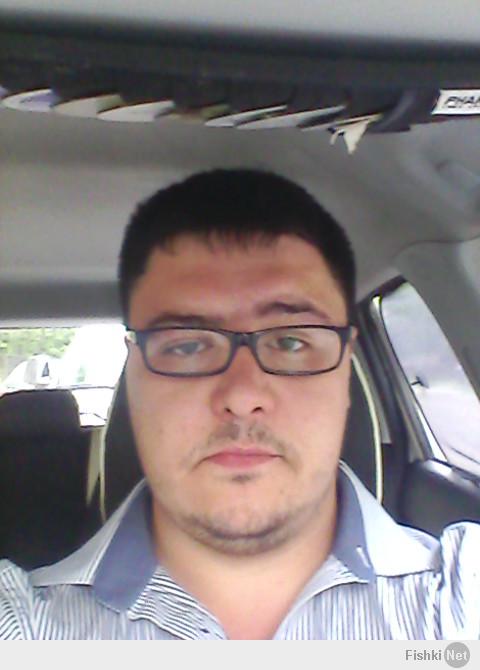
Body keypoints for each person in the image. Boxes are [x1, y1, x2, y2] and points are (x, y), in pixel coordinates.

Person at [0, 170, 478, 640]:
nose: (242, 396)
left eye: (290, 342)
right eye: (187, 345)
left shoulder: (459, 600)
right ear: (135, 376)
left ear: (344, 370)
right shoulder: (25, 628)